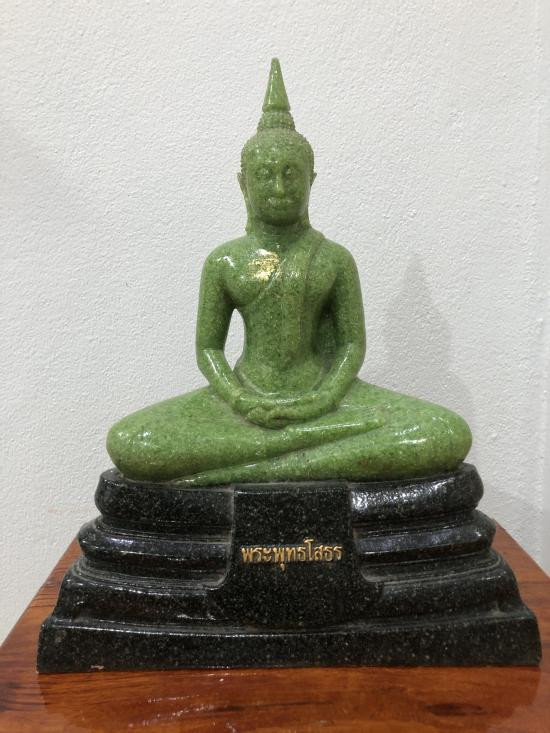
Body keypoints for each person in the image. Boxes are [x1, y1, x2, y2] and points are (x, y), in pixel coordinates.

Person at [107, 59, 471, 484]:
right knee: (132, 440)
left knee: (446, 433)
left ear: (311, 180)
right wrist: (239, 400)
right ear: (243, 184)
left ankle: (270, 464)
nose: (279, 189)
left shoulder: (334, 259)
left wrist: (323, 400)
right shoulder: (225, 261)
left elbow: (351, 345)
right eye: (264, 176)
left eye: (290, 175)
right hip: (245, 402)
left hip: (324, 402)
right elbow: (208, 349)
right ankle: (305, 455)